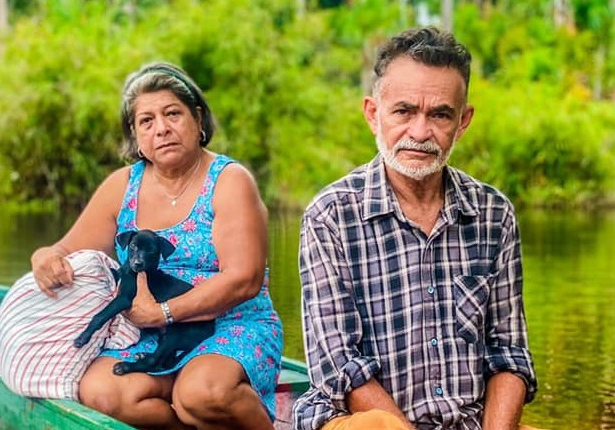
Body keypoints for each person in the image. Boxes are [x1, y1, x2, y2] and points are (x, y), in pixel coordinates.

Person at [294, 27, 537, 430]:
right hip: (361, 421)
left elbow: (508, 353)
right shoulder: (331, 215)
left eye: (440, 114)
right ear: (374, 114)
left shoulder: (494, 214)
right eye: (404, 111)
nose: (420, 133)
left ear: (463, 122)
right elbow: (340, 365)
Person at [30, 62, 283, 430]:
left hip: (229, 326)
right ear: (135, 135)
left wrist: (163, 312)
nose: (161, 128)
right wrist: (44, 257)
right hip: (149, 335)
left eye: (172, 114)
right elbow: (64, 250)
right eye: (146, 121)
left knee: (199, 395)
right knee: (101, 392)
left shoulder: (229, 181)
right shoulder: (123, 186)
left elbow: (244, 279)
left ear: (197, 120)